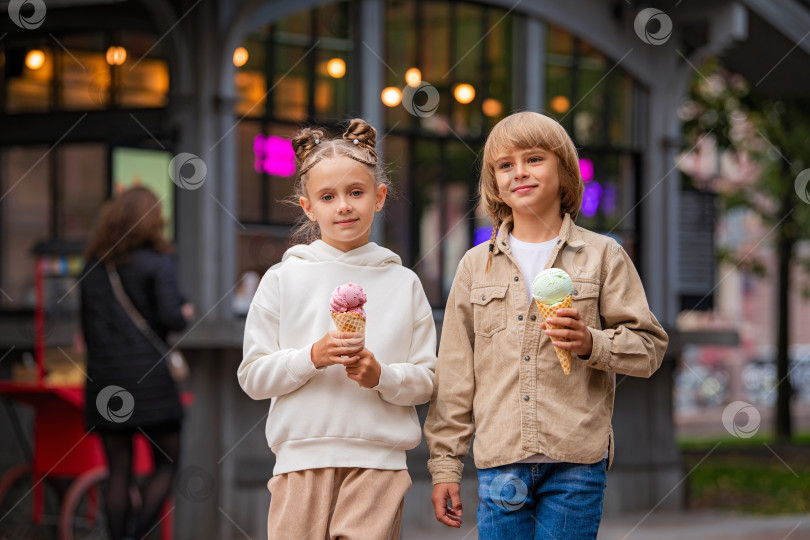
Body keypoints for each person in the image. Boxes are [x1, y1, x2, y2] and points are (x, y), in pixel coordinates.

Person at [424, 111, 669, 539]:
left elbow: (649, 348)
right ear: (494, 181)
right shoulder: (474, 266)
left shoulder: (602, 256)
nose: (519, 172)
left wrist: (592, 342)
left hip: (575, 459)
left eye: (534, 159)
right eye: (505, 165)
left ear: (563, 171)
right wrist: (446, 463)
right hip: (501, 460)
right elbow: (455, 373)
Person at [238, 119, 436, 540]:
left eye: (356, 192)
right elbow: (253, 377)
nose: (343, 205)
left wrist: (381, 376)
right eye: (328, 196)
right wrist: (311, 357)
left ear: (379, 197)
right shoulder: (282, 278)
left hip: (379, 463)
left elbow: (427, 380)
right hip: (299, 462)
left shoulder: (404, 283)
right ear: (308, 207)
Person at [81, 186, 193, 540]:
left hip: (104, 383)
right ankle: (138, 534)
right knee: (168, 463)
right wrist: (184, 311)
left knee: (119, 471)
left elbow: (87, 328)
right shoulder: (157, 262)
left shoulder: (92, 267)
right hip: (150, 383)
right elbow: (171, 318)